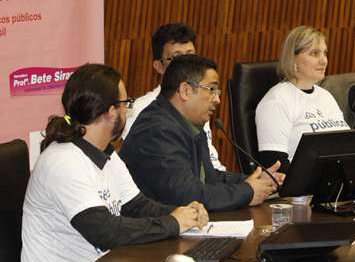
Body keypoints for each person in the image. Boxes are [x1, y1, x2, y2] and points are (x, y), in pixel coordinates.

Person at [21, 64, 208, 262]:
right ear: (111, 112)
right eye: (125, 104)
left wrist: (184, 213)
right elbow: (104, 232)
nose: (127, 110)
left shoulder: (104, 153)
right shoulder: (63, 162)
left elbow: (137, 206)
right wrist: (173, 223)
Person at [121, 54, 282, 211]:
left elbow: (209, 178)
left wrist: (258, 180)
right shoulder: (156, 130)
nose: (217, 99)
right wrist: (248, 191)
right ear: (185, 91)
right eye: (211, 89)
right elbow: (187, 195)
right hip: (153, 230)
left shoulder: (187, 123)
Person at [122, 22, 225, 170]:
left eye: (191, 56)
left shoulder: (200, 99)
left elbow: (212, 164)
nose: (186, 65)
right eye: (177, 59)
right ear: (158, 66)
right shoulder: (141, 110)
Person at [255, 26, 350, 172]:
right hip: (301, 190)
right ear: (293, 59)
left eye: (325, 53)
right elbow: (275, 165)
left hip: (336, 182)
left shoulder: (326, 96)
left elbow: (349, 146)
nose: (323, 61)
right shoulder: (276, 101)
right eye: (314, 53)